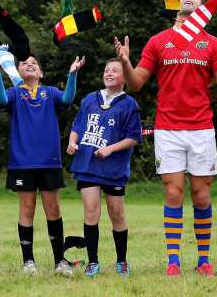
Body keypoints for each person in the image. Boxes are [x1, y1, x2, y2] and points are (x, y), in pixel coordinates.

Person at [113, 0, 217, 277]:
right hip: (168, 128)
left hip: (201, 129)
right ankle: (173, 261)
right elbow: (136, 83)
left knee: (201, 197)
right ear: (176, 4)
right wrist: (125, 62)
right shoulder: (159, 41)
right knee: (174, 192)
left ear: (201, 6)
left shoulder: (212, 43)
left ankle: (204, 260)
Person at [0, 53, 85, 276]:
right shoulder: (14, 93)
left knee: (53, 209)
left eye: (34, 63)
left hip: (49, 161)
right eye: (24, 63)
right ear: (18, 72)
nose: (30, 65)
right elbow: (0, 100)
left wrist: (72, 75)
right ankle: (28, 262)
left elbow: (67, 100)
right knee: (27, 209)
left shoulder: (50, 92)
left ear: (41, 73)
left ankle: (59, 261)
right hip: (22, 162)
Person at [66, 58, 143, 277]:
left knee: (116, 213)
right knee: (91, 211)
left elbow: (133, 138)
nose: (109, 73)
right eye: (106, 70)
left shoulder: (129, 104)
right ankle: (93, 262)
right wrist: (72, 142)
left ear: (124, 77)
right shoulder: (90, 99)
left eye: (115, 70)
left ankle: (121, 261)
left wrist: (110, 149)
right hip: (88, 165)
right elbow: (77, 127)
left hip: (113, 168)